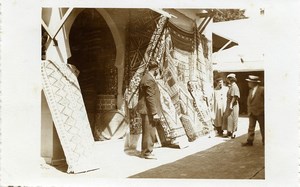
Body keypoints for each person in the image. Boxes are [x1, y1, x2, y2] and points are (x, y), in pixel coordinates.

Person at [136, 61, 162, 159]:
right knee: (149, 131)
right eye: (158, 70)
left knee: (148, 130)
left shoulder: (147, 77)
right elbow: (150, 97)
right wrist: (154, 112)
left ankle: (146, 151)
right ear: (155, 69)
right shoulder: (149, 79)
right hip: (148, 110)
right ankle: (146, 152)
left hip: (147, 109)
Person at [242, 75, 264, 146]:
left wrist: (263, 110)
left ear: (254, 83)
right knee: (251, 127)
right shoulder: (250, 90)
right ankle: (250, 141)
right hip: (252, 112)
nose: (248, 83)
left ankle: (265, 141)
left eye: (249, 82)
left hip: (260, 112)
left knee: (263, 127)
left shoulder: (262, 89)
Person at [224, 73, 240, 139]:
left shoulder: (234, 86)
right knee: (229, 118)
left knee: (233, 118)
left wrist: (231, 104)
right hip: (230, 104)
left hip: (233, 105)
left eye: (229, 79)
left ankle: (233, 133)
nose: (228, 80)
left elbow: (235, 96)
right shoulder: (231, 86)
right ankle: (229, 131)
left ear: (231, 79)